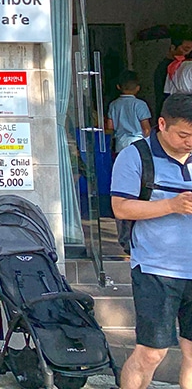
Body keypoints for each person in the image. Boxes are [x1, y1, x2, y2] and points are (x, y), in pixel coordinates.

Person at [110, 93, 192, 389]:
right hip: (156, 269)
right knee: (152, 352)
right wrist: (171, 205)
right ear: (161, 124)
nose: (189, 142)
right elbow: (120, 207)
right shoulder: (135, 156)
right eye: (183, 135)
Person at [106, 70, 153, 155]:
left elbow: (110, 126)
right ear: (138, 88)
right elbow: (146, 129)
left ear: (118, 87)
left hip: (120, 145)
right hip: (139, 145)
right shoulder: (140, 104)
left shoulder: (113, 104)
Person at [154, 29, 192, 116]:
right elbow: (162, 96)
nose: (189, 52)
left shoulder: (181, 65)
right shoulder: (165, 68)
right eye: (186, 49)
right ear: (172, 48)